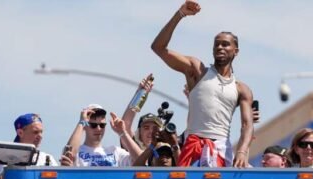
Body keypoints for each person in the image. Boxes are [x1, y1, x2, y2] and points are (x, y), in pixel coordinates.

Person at [151, 0, 254, 168]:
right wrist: (180, 14)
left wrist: (242, 151)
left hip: (220, 149)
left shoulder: (241, 89)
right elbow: (158, 48)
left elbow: (247, 124)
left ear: (236, 51)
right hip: (193, 145)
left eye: (225, 44)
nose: (220, 47)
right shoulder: (197, 71)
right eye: (217, 44)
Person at [60, 104, 142, 167]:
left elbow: (142, 160)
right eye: (93, 125)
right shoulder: (78, 151)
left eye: (102, 125)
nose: (98, 129)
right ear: (85, 127)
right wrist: (81, 123)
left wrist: (122, 132)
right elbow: (69, 156)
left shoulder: (115, 151)